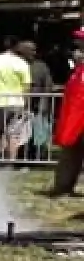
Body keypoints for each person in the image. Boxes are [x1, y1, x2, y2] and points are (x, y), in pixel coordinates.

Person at [49, 29, 84, 196]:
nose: (78, 49)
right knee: (70, 154)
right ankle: (63, 186)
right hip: (74, 122)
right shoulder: (78, 71)